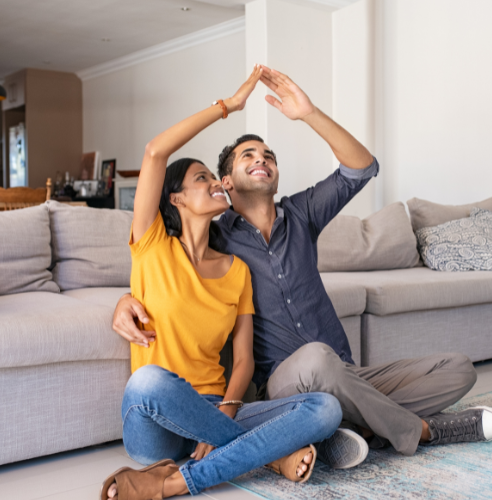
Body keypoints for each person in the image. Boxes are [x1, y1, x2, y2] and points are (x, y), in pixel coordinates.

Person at [112, 64, 492, 471]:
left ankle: (354, 425)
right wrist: (124, 299)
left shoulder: (296, 217)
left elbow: (361, 168)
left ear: (276, 176)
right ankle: (419, 431)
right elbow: (163, 256)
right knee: (315, 361)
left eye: (268, 155)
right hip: (286, 384)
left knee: (457, 369)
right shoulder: (216, 238)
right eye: (246, 155)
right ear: (226, 184)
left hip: (340, 373)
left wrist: (309, 113)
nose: (260, 159)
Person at [102, 65, 342, 500]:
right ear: (175, 198)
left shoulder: (236, 269)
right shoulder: (152, 242)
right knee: (148, 381)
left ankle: (176, 481)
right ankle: (268, 456)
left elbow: (245, 361)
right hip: (154, 424)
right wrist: (227, 107)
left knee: (325, 408)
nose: (216, 184)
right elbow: (155, 152)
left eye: (215, 179)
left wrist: (229, 407)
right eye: (202, 179)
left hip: (217, 409)